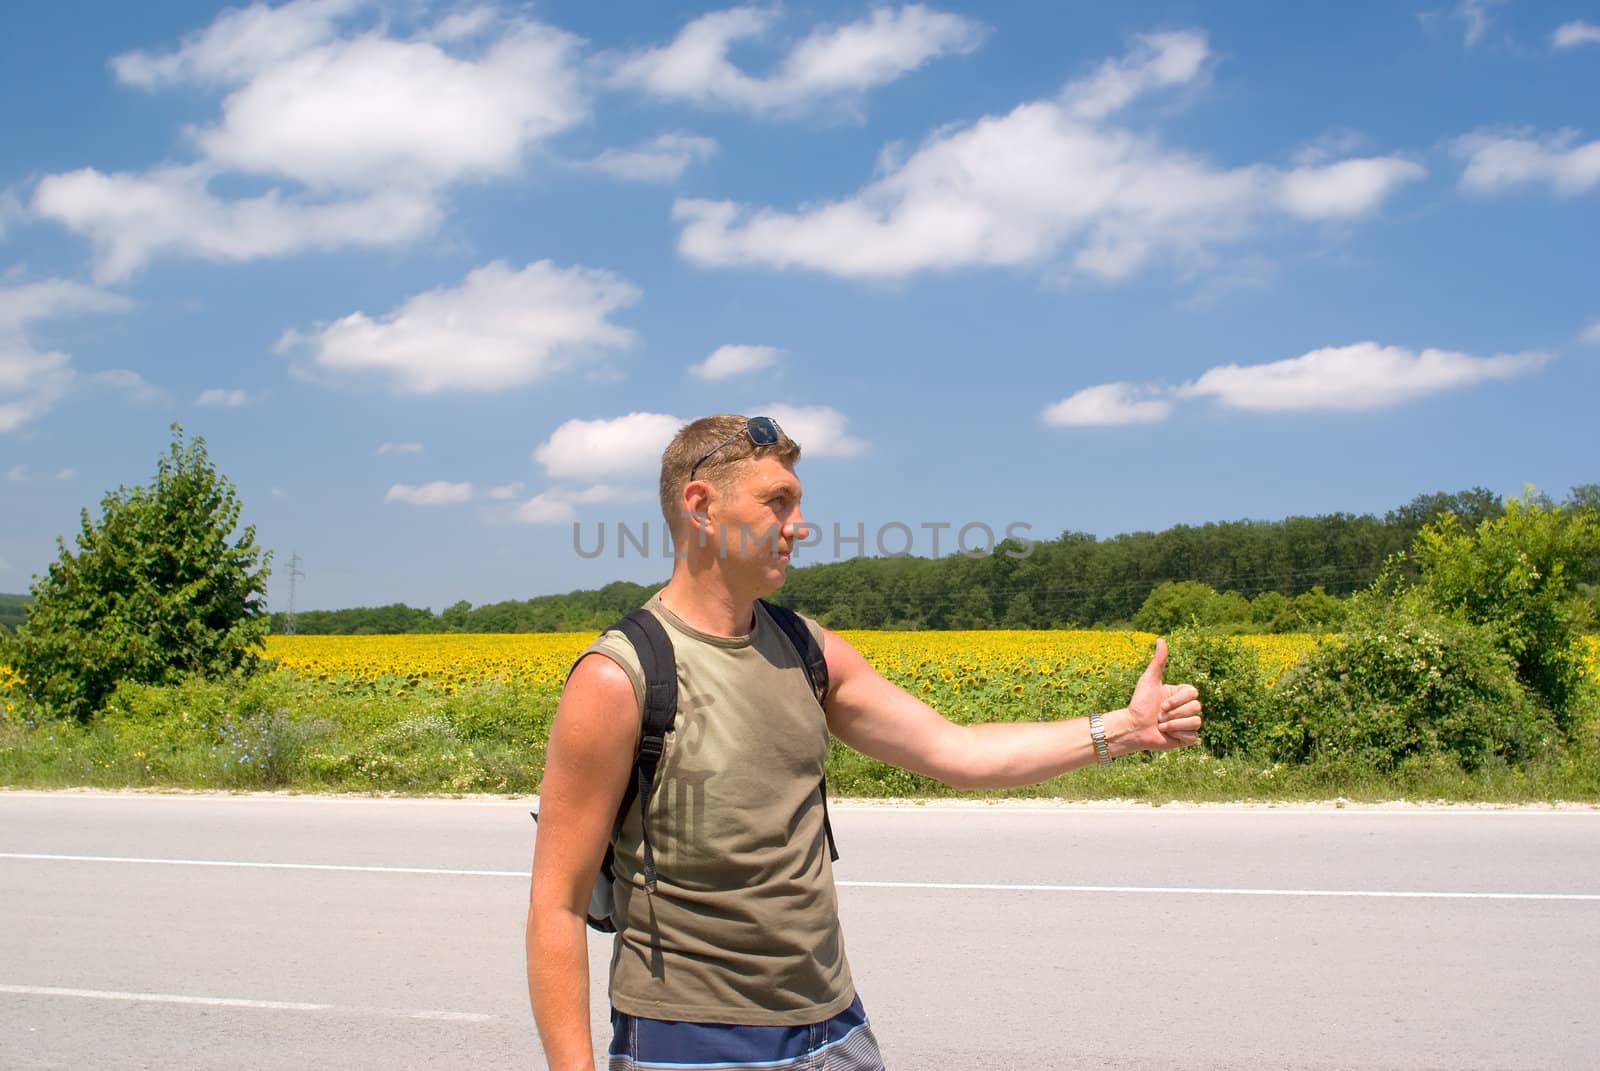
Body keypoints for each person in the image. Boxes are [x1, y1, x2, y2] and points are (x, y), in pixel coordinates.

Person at [526, 414, 1203, 1070]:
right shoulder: (621, 677)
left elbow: (959, 751)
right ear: (701, 506)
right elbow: (556, 904)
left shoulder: (808, 650)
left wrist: (1123, 728)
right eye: (777, 501)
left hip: (834, 1028)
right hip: (690, 1042)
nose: (800, 524)